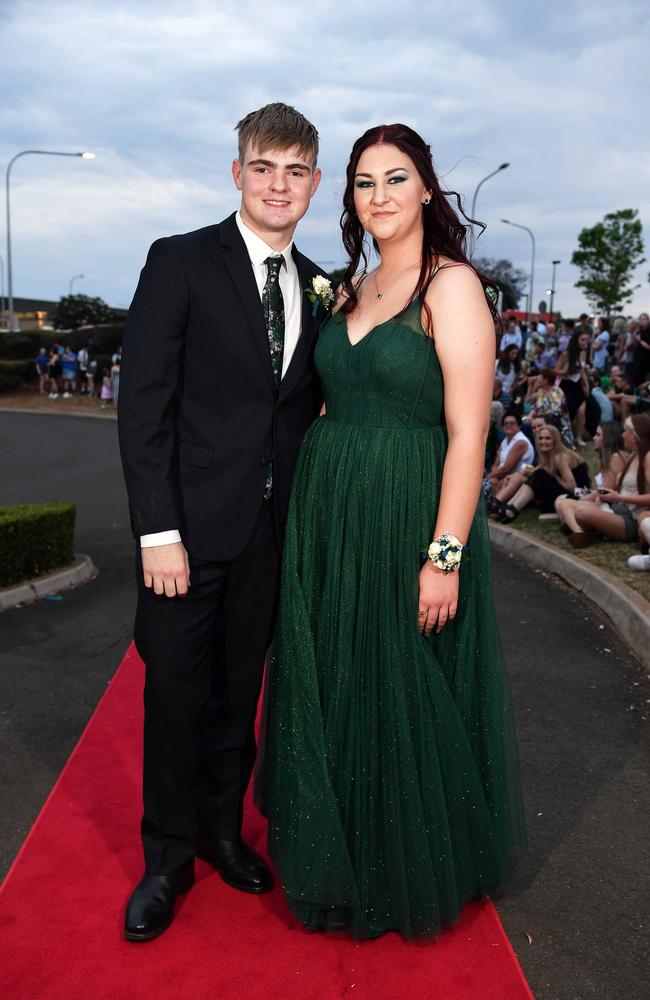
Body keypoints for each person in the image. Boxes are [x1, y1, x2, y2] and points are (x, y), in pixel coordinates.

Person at [256, 123, 525, 939]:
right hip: (331, 511)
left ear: (428, 190)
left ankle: (400, 863)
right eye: (364, 183)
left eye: (395, 179)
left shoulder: (453, 287)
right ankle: (337, 853)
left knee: (400, 682)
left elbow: (470, 437)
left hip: (410, 509)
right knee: (340, 676)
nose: (379, 196)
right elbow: (330, 403)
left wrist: (442, 557)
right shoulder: (349, 288)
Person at [117, 103, 326, 942]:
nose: (279, 185)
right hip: (186, 538)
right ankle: (164, 861)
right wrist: (156, 531)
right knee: (173, 696)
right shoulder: (180, 261)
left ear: (312, 183)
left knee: (239, 697)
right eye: (264, 167)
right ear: (237, 173)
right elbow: (145, 408)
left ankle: (221, 832)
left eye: (297, 171)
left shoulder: (320, 281)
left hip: (269, 538)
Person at [562, 414, 650, 548]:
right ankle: (581, 531)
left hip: (633, 518)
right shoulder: (633, 455)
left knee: (581, 512)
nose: (623, 435)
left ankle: (583, 531)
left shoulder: (647, 457)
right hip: (619, 509)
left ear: (634, 435)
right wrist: (611, 495)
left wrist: (620, 498)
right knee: (568, 504)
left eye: (626, 431)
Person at [494, 425, 590, 524]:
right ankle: (510, 507)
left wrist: (554, 475)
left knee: (539, 474)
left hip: (578, 495)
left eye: (548, 438)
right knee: (537, 474)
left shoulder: (559, 456)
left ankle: (512, 509)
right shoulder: (548, 455)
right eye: (540, 438)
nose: (543, 442)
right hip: (562, 492)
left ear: (555, 441)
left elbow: (572, 487)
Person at [555, 421, 627, 531]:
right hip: (600, 499)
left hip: (612, 504)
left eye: (598, 435)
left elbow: (604, 491)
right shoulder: (607, 457)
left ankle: (575, 526)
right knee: (560, 499)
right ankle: (573, 523)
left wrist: (583, 500)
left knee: (564, 503)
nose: (594, 438)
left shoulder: (616, 458)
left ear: (608, 438)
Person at [556, 329, 590, 445]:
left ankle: (578, 437)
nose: (585, 342)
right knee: (567, 414)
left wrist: (586, 385)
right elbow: (556, 370)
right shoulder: (566, 354)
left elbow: (582, 371)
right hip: (566, 386)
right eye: (582, 339)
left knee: (581, 413)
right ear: (576, 340)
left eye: (586, 339)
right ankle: (563, 437)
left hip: (578, 385)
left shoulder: (584, 353)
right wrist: (568, 372)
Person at [632, 312, 650, 387]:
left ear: (648, 320)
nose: (642, 321)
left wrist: (639, 340)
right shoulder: (638, 331)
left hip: (646, 361)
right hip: (637, 360)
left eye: (644, 319)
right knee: (636, 381)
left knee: (645, 383)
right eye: (640, 319)